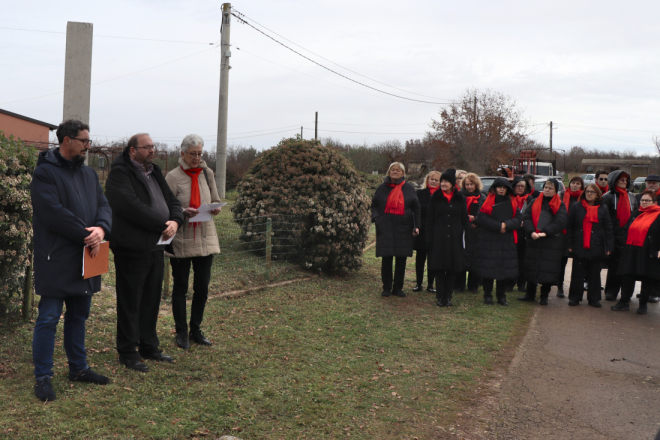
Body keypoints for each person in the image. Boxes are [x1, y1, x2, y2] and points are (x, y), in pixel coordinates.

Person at [30, 119, 112, 401]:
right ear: (67, 141)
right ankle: (43, 377)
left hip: (86, 256)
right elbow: (52, 212)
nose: (88, 145)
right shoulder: (44, 173)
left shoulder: (89, 174)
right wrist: (86, 234)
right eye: (84, 141)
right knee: (49, 318)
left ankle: (78, 368)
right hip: (56, 257)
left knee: (79, 315)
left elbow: (103, 204)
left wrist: (101, 229)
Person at [105, 133, 184, 372]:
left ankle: (149, 346)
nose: (152, 150)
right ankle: (128, 352)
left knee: (151, 298)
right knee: (130, 301)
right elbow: (130, 206)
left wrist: (176, 221)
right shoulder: (120, 173)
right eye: (147, 147)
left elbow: (172, 201)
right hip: (131, 247)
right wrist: (163, 223)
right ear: (132, 150)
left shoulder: (154, 171)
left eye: (153, 146)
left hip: (156, 246)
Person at [165, 134, 222, 350]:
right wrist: (181, 211)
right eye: (193, 154)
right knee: (180, 288)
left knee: (202, 288)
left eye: (200, 153)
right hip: (181, 239)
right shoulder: (172, 176)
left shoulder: (207, 174)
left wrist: (215, 207)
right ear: (182, 154)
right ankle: (181, 332)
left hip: (206, 239)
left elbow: (215, 198)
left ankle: (195, 329)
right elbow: (165, 206)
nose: (197, 158)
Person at [371, 162, 420, 298]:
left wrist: (417, 226)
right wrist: (376, 218)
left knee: (401, 259)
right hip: (385, 226)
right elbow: (374, 204)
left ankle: (398, 288)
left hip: (404, 228)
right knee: (386, 259)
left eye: (398, 170)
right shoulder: (382, 188)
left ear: (403, 173)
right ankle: (386, 287)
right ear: (389, 172)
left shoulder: (409, 188)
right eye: (393, 170)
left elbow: (416, 209)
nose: (395, 172)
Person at [517, 179, 568, 305]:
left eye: (550, 188)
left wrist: (545, 232)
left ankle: (544, 296)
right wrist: (531, 232)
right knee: (531, 267)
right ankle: (530, 294)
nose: (547, 190)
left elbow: (560, 222)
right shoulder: (534, 201)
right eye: (546, 187)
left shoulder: (560, 204)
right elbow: (527, 217)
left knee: (547, 269)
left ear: (556, 190)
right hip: (534, 239)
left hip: (550, 242)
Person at [474, 177, 522, 306]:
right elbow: (482, 218)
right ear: (494, 188)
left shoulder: (512, 202)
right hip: (489, 240)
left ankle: (501, 296)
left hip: (506, 240)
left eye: (504, 187)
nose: (502, 189)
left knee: (503, 270)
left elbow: (518, 219)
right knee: (488, 269)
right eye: (499, 187)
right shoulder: (487, 201)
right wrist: (498, 226)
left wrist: (506, 225)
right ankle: (487, 295)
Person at [611, 190, 660, 314]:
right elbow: (627, 228)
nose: (643, 203)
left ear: (654, 202)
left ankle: (643, 304)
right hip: (631, 249)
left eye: (647, 200)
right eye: (642, 200)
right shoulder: (636, 213)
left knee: (646, 277)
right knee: (627, 276)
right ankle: (624, 301)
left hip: (648, 251)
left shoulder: (658, 215)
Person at [425, 169, 469, 306]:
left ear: (452, 184)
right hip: (439, 237)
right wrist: (429, 238)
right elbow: (429, 220)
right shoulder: (435, 198)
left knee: (451, 269)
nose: (443, 184)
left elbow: (464, 218)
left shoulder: (460, 198)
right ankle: (440, 297)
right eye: (442, 181)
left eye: (446, 181)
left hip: (455, 238)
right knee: (439, 268)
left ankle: (448, 296)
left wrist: (466, 235)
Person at [565, 184, 613, 306]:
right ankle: (575, 297)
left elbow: (608, 228)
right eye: (587, 191)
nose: (589, 194)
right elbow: (570, 227)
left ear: (597, 194)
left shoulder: (603, 208)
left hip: (596, 245)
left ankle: (594, 299)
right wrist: (569, 244)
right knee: (577, 273)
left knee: (595, 274)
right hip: (579, 244)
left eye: (592, 192)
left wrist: (609, 246)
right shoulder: (577, 206)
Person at [602, 170, 637, 302]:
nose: (624, 181)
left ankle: (626, 293)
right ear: (614, 180)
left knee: (627, 267)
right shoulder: (607, 197)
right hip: (613, 236)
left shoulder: (632, 197)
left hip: (628, 236)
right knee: (614, 266)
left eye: (625, 179)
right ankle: (611, 291)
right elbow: (604, 218)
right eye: (621, 179)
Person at [455, 173, 486, 293]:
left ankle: (474, 285)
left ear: (476, 184)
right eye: (467, 184)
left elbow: (485, 213)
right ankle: (459, 285)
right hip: (462, 231)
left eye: (471, 184)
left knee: (475, 258)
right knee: (461, 258)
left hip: (477, 232)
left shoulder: (482, 197)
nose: (469, 187)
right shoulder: (459, 196)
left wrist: (476, 220)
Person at [634, 175, 660, 303]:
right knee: (644, 268)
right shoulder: (640, 197)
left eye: (654, 183)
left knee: (655, 269)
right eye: (649, 183)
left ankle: (655, 293)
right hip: (643, 235)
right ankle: (645, 292)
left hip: (656, 236)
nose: (651, 185)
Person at [412, 171, 440, 293]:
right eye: (431, 179)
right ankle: (418, 283)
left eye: (436, 180)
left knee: (432, 259)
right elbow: (416, 209)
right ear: (427, 180)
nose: (433, 181)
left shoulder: (442, 195)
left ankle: (430, 284)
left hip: (436, 230)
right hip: (422, 230)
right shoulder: (420, 193)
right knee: (420, 258)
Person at [557, 176, 584, 298]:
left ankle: (577, 288)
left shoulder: (585, 197)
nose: (575, 185)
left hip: (578, 233)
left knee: (579, 263)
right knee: (562, 262)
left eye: (578, 183)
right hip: (563, 232)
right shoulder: (562, 195)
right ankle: (559, 286)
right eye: (573, 183)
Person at [511, 176, 532, 292]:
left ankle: (521, 282)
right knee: (511, 259)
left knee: (522, 260)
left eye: (522, 186)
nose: (520, 188)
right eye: (518, 185)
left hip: (525, 234)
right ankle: (510, 282)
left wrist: (526, 222)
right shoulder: (509, 199)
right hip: (512, 232)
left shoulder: (530, 199)